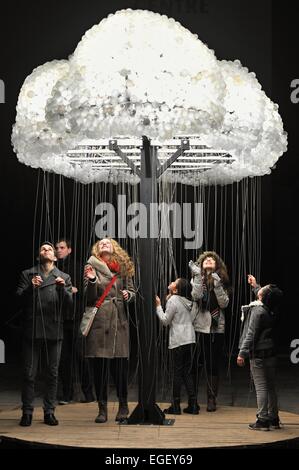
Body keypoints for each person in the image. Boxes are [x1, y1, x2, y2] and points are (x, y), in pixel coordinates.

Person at [16, 242, 73, 426]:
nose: (46, 250)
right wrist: (30, 288)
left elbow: (69, 306)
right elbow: (18, 300)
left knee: (52, 373)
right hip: (32, 329)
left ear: (55, 257)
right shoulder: (28, 274)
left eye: (49, 248)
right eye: (42, 249)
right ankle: (27, 412)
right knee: (29, 373)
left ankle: (49, 411)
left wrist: (63, 290)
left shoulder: (63, 277)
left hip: (54, 329)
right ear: (38, 256)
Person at [84, 238, 135, 423]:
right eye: (101, 242)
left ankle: (123, 405)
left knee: (120, 368)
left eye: (108, 242)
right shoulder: (91, 265)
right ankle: (102, 408)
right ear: (97, 248)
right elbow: (88, 297)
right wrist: (91, 281)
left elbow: (132, 291)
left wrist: (128, 295)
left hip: (119, 320)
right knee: (100, 368)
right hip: (100, 321)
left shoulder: (123, 267)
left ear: (114, 247)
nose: (104, 243)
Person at [237, 274, 283, 431]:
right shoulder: (270, 309)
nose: (262, 287)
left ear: (263, 296)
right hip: (270, 352)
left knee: (261, 387)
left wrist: (242, 353)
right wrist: (255, 285)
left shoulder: (257, 311)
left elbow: (251, 334)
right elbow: (265, 295)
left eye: (264, 288)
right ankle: (274, 418)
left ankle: (263, 420)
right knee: (270, 386)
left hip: (259, 354)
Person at [189, 251, 230, 412]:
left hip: (216, 327)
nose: (208, 260)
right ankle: (193, 399)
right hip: (198, 326)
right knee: (196, 364)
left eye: (212, 259)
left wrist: (218, 285)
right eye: (206, 259)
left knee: (213, 365)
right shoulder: (196, 278)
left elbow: (224, 303)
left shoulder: (222, 280)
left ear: (217, 264)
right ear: (201, 264)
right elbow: (196, 295)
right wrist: (198, 277)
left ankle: (211, 398)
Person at [55, 238, 94, 404]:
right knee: (64, 358)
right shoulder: (54, 269)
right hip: (61, 319)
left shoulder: (79, 266)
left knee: (81, 356)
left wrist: (72, 289)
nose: (59, 250)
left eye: (62, 247)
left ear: (69, 250)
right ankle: (67, 394)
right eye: (57, 248)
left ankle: (88, 394)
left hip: (77, 316)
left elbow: (86, 290)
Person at [156, 278, 199, 415]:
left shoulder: (173, 300)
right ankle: (193, 404)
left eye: (175, 282)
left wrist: (158, 305)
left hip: (178, 340)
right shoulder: (189, 302)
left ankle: (175, 405)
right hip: (190, 338)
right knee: (186, 371)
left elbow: (165, 321)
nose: (172, 281)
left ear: (176, 289)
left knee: (177, 373)